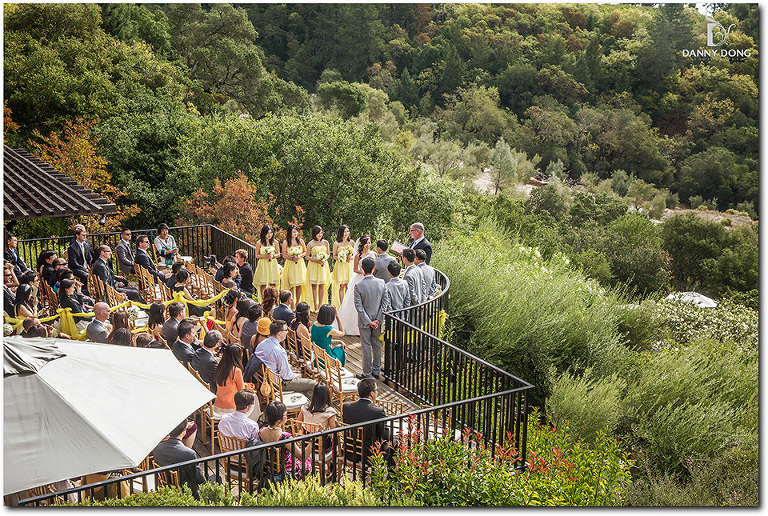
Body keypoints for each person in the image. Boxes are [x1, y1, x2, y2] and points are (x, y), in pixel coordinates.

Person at [255, 320, 318, 399]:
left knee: (303, 382)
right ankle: (308, 404)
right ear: (279, 333)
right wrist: (296, 375)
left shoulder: (261, 344)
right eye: (286, 330)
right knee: (313, 384)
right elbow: (286, 376)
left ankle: (304, 401)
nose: (287, 332)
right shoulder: (279, 351)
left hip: (266, 379)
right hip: (278, 384)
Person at [353, 257, 390, 380]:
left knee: (366, 346)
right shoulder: (382, 282)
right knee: (377, 345)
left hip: (365, 322)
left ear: (362, 268)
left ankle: (367, 373)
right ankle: (376, 370)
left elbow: (359, 307)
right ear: (374, 268)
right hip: (378, 321)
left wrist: (368, 321)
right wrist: (378, 319)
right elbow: (385, 302)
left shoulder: (358, 286)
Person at [342, 378, 392, 465]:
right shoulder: (378, 412)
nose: (377, 392)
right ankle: (389, 472)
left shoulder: (346, 407)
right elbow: (385, 436)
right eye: (376, 390)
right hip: (368, 455)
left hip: (350, 451)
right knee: (393, 442)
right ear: (371, 393)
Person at [152, 420, 212, 491]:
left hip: (167, 486)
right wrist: (203, 475)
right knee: (216, 479)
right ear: (184, 429)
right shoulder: (189, 454)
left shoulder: (157, 448)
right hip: (186, 490)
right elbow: (199, 480)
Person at [336, 235, 377, 337]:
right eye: (366, 243)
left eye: (369, 243)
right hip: (360, 278)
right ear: (362, 244)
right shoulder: (358, 255)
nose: (368, 245)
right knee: (357, 302)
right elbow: (354, 269)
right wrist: (363, 272)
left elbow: (376, 267)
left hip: (371, 278)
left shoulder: (374, 254)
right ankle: (355, 327)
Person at [259, 401, 313, 478]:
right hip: (285, 470)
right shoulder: (285, 437)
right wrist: (312, 441)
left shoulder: (261, 431)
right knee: (308, 460)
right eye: (286, 414)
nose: (287, 416)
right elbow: (302, 457)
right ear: (279, 420)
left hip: (268, 467)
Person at [213, 344, 252, 418]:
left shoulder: (220, 367)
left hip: (217, 406)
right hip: (231, 408)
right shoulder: (236, 370)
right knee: (253, 399)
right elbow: (241, 390)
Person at [298, 383, 339, 454]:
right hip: (322, 445)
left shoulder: (305, 407)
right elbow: (333, 432)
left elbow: (298, 423)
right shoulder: (329, 411)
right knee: (337, 439)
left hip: (306, 442)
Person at [305, 225, 330, 312]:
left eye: (321, 233)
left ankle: (320, 305)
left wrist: (324, 258)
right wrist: (316, 260)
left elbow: (328, 254)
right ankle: (315, 305)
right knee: (314, 285)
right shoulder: (310, 244)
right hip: (314, 265)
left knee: (322, 285)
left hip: (323, 265)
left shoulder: (326, 242)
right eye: (318, 233)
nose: (320, 235)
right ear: (314, 234)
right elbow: (307, 256)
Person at [280, 224, 306, 305]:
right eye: (293, 232)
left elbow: (305, 251)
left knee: (299, 284)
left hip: (299, 264)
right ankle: (292, 303)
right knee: (291, 284)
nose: (295, 233)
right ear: (290, 232)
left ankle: (297, 302)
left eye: (296, 231)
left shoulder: (301, 241)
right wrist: (292, 258)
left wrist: (299, 256)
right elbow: (284, 254)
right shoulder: (286, 242)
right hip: (290, 264)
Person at [254, 225, 281, 300]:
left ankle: (274, 300)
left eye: (271, 233)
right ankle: (264, 301)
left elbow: (278, 253)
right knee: (263, 284)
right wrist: (266, 256)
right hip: (263, 264)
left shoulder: (275, 242)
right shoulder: (259, 242)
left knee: (273, 284)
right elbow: (257, 255)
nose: (269, 235)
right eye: (267, 233)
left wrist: (273, 256)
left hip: (272, 264)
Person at [331, 225, 354, 307]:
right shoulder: (336, 243)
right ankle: (342, 305)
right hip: (340, 265)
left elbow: (356, 254)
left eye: (347, 231)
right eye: (344, 231)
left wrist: (351, 257)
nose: (346, 233)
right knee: (341, 286)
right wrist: (340, 258)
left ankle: (347, 305)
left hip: (349, 265)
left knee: (348, 285)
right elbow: (334, 255)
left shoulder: (352, 242)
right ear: (341, 232)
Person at [67, 225, 92, 294]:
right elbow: (74, 263)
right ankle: (84, 292)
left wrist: (92, 266)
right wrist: (84, 269)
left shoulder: (86, 245)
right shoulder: (72, 248)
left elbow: (89, 258)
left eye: (85, 235)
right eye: (83, 235)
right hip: (75, 268)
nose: (85, 237)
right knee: (84, 275)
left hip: (85, 267)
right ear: (77, 235)